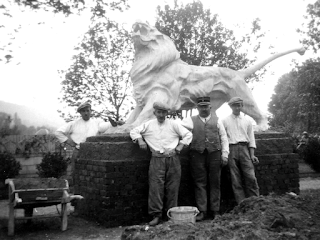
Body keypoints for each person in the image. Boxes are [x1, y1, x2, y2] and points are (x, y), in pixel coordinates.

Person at [130, 102, 192, 226]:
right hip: (157, 159)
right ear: (155, 113)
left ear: (167, 113)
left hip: (172, 158)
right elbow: (134, 131)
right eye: (159, 112)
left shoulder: (174, 124)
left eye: (164, 112)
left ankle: (171, 215)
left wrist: (180, 145)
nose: (161, 115)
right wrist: (140, 140)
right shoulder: (148, 125)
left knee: (172, 187)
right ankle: (156, 215)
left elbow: (188, 134)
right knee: (156, 188)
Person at [181, 96, 229, 221]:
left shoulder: (218, 121)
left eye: (205, 106)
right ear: (197, 108)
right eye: (201, 106)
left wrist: (225, 154)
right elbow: (178, 129)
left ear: (210, 107)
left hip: (214, 154)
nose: (203, 109)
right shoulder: (189, 121)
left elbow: (224, 138)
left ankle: (215, 211)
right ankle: (202, 211)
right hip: (197, 154)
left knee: (215, 182)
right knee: (199, 182)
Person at [54, 100, 118, 175]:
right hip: (79, 151)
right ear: (80, 113)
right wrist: (69, 142)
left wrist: (114, 123)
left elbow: (107, 126)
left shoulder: (96, 123)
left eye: (87, 110)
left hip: (93, 152)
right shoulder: (74, 123)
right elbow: (58, 132)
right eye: (83, 111)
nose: (86, 113)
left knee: (93, 173)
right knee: (76, 173)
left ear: (91, 111)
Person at [222, 97, 259, 205]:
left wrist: (252, 155)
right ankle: (242, 204)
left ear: (242, 106)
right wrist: (225, 154)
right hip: (231, 149)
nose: (237, 108)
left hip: (244, 149)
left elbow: (251, 139)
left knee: (250, 177)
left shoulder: (248, 121)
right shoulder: (225, 121)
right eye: (234, 105)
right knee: (235, 179)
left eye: (239, 105)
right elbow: (223, 138)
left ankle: (256, 202)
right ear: (230, 107)